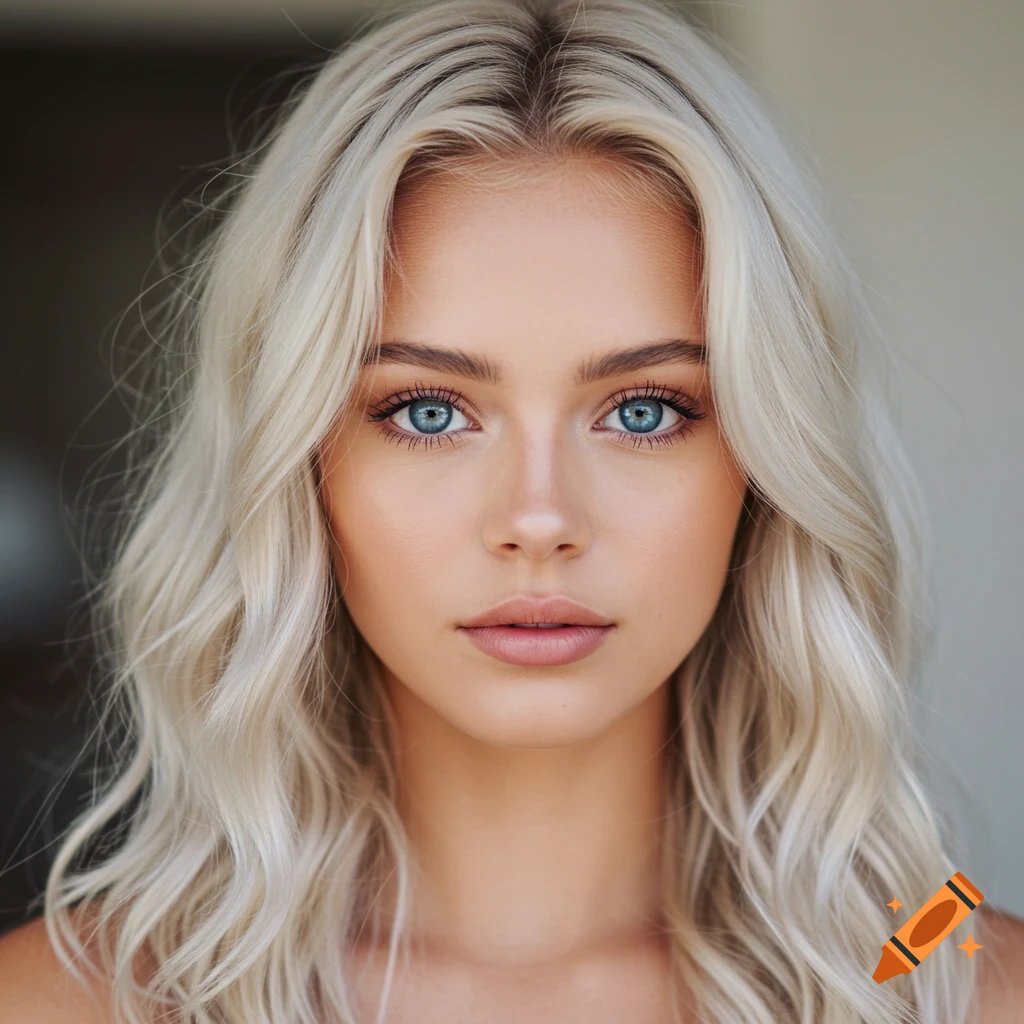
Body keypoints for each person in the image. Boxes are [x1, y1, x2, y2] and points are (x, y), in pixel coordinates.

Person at [1, 0, 1021, 1021]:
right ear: (301, 465)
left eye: (644, 408)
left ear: (765, 464)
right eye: (430, 411)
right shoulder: (69, 998)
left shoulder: (940, 975)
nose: (538, 518)